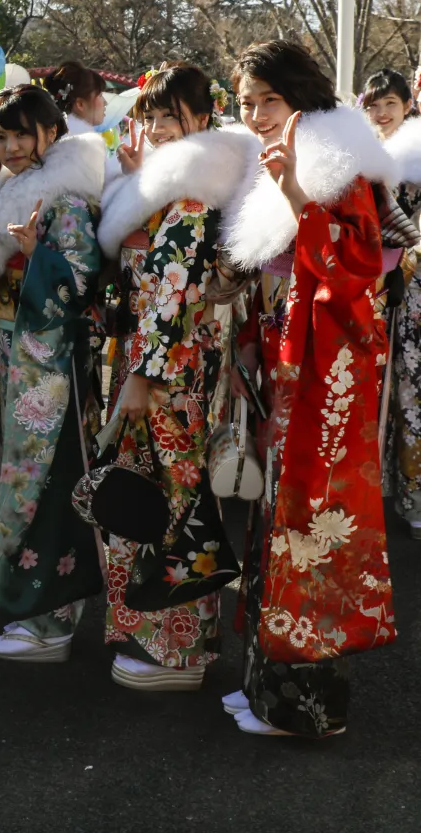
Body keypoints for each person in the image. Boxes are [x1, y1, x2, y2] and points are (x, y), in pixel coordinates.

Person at [221, 40, 396, 737]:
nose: (257, 113)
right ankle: (266, 684)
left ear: (300, 96)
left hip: (326, 377)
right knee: (277, 522)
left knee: (312, 524)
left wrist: (296, 193)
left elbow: (358, 266)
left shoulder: (335, 165)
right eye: (247, 102)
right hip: (288, 369)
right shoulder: (276, 160)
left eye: (270, 99)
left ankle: (307, 710)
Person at [93, 64, 254, 690]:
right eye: (153, 116)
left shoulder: (194, 196)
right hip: (163, 363)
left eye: (172, 116)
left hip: (169, 371)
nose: (159, 128)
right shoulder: (176, 186)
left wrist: (142, 375)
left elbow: (171, 294)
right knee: (159, 495)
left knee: (172, 500)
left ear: (203, 118)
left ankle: (178, 650)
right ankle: (165, 637)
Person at [0, 84, 107, 661]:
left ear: (52, 132)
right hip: (22, 356)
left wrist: (37, 254)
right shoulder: (16, 189)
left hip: (52, 365)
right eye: (2, 135)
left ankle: (51, 622)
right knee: (21, 480)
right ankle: (31, 608)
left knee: (45, 480)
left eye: (23, 133)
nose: (11, 146)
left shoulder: (66, 198)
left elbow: (81, 280)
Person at [363, 69, 421, 538]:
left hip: (411, 286)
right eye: (374, 105)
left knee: (410, 390)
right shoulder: (361, 157)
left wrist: (403, 263)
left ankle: (413, 498)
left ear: (407, 107)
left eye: (391, 105)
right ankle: (371, 493)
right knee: (369, 387)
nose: (382, 114)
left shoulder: (416, 154)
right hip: (367, 284)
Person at [45, 60, 108, 135]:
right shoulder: (83, 139)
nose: (105, 102)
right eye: (100, 95)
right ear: (80, 104)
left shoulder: (56, 134)